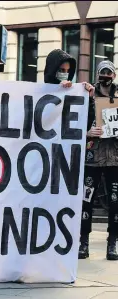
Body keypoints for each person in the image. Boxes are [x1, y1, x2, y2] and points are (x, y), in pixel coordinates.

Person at [79, 60, 118, 261]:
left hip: (115, 159)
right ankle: (83, 241)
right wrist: (87, 133)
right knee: (86, 201)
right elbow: (73, 123)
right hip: (91, 159)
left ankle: (113, 242)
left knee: (115, 203)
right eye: (103, 73)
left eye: (109, 73)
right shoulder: (87, 97)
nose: (106, 77)